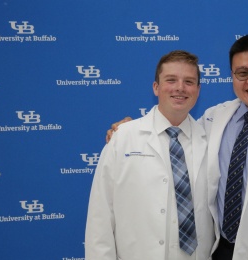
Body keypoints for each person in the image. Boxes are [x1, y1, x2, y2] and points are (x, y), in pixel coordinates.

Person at [107, 34, 248, 260]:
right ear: (232, 76)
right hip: (219, 251)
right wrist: (128, 130)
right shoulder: (213, 120)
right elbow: (173, 133)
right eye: (242, 72)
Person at [85, 50, 216, 260]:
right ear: (156, 87)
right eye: (171, 80)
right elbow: (100, 217)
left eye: (189, 81)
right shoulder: (123, 138)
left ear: (198, 90)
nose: (180, 88)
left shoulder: (212, 140)